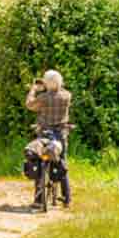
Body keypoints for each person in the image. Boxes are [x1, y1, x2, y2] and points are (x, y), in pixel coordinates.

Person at [25, 67, 72, 206]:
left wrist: (34, 89)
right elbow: (60, 90)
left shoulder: (43, 98)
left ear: (47, 83)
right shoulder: (67, 96)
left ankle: (39, 200)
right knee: (62, 162)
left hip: (44, 134)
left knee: (40, 161)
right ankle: (67, 198)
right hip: (60, 135)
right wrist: (54, 84)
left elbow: (29, 105)